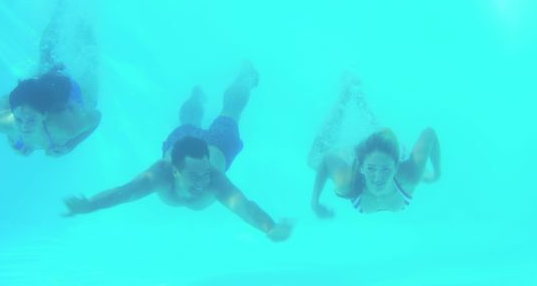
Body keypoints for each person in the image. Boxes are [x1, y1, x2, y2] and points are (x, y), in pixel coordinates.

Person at [63, 64, 293, 242]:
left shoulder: (214, 180)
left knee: (231, 110)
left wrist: (269, 227)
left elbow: (245, 206)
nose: (203, 182)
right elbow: (124, 193)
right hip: (183, 144)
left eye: (204, 175)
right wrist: (90, 205)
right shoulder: (158, 175)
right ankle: (197, 97)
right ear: (174, 170)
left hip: (218, 147)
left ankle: (246, 77)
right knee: (189, 119)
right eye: (194, 176)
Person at [308, 74, 441, 216]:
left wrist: (437, 174)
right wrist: (315, 202)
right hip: (374, 155)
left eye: (385, 170)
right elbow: (326, 159)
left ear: (396, 167)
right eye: (371, 169)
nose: (378, 178)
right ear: (361, 168)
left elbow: (430, 134)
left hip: (389, 152)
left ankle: (358, 97)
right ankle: (345, 95)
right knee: (314, 159)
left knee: (377, 133)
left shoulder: (410, 175)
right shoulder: (348, 181)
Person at [0, 2, 101, 157]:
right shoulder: (5, 124)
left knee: (89, 57)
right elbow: (5, 100)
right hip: (44, 85)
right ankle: (61, 8)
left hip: (78, 94)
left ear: (45, 115)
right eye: (18, 119)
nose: (23, 127)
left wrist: (71, 146)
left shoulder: (64, 126)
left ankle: (85, 18)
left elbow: (96, 117)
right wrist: (13, 138)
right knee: (47, 47)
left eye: (31, 120)